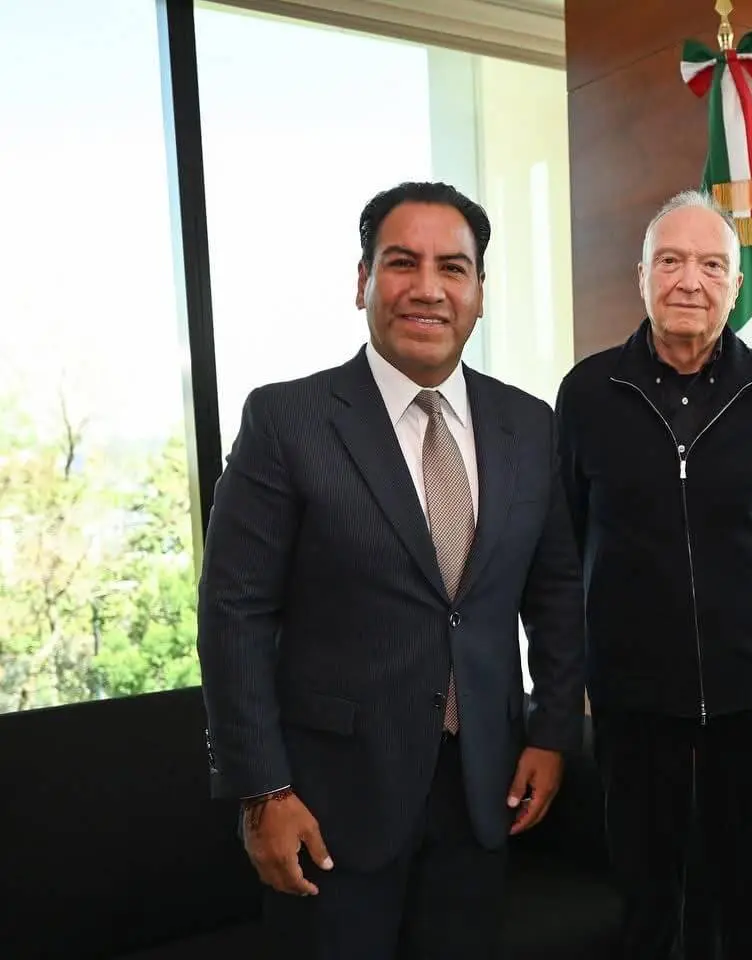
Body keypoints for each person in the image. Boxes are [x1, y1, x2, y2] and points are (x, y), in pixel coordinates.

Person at [196, 181, 585, 960]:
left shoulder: (527, 423)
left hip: (482, 789)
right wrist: (263, 791)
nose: (429, 288)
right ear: (362, 281)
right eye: (402, 262)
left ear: (480, 292)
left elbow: (556, 593)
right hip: (332, 801)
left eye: (454, 266)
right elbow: (232, 614)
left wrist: (551, 733)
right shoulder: (287, 421)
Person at [555, 189, 752, 959]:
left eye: (711, 264)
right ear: (642, 276)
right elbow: (568, 540)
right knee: (647, 906)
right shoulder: (587, 393)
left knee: (747, 907)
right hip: (634, 705)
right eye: (670, 260)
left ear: (737, 287)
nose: (689, 280)